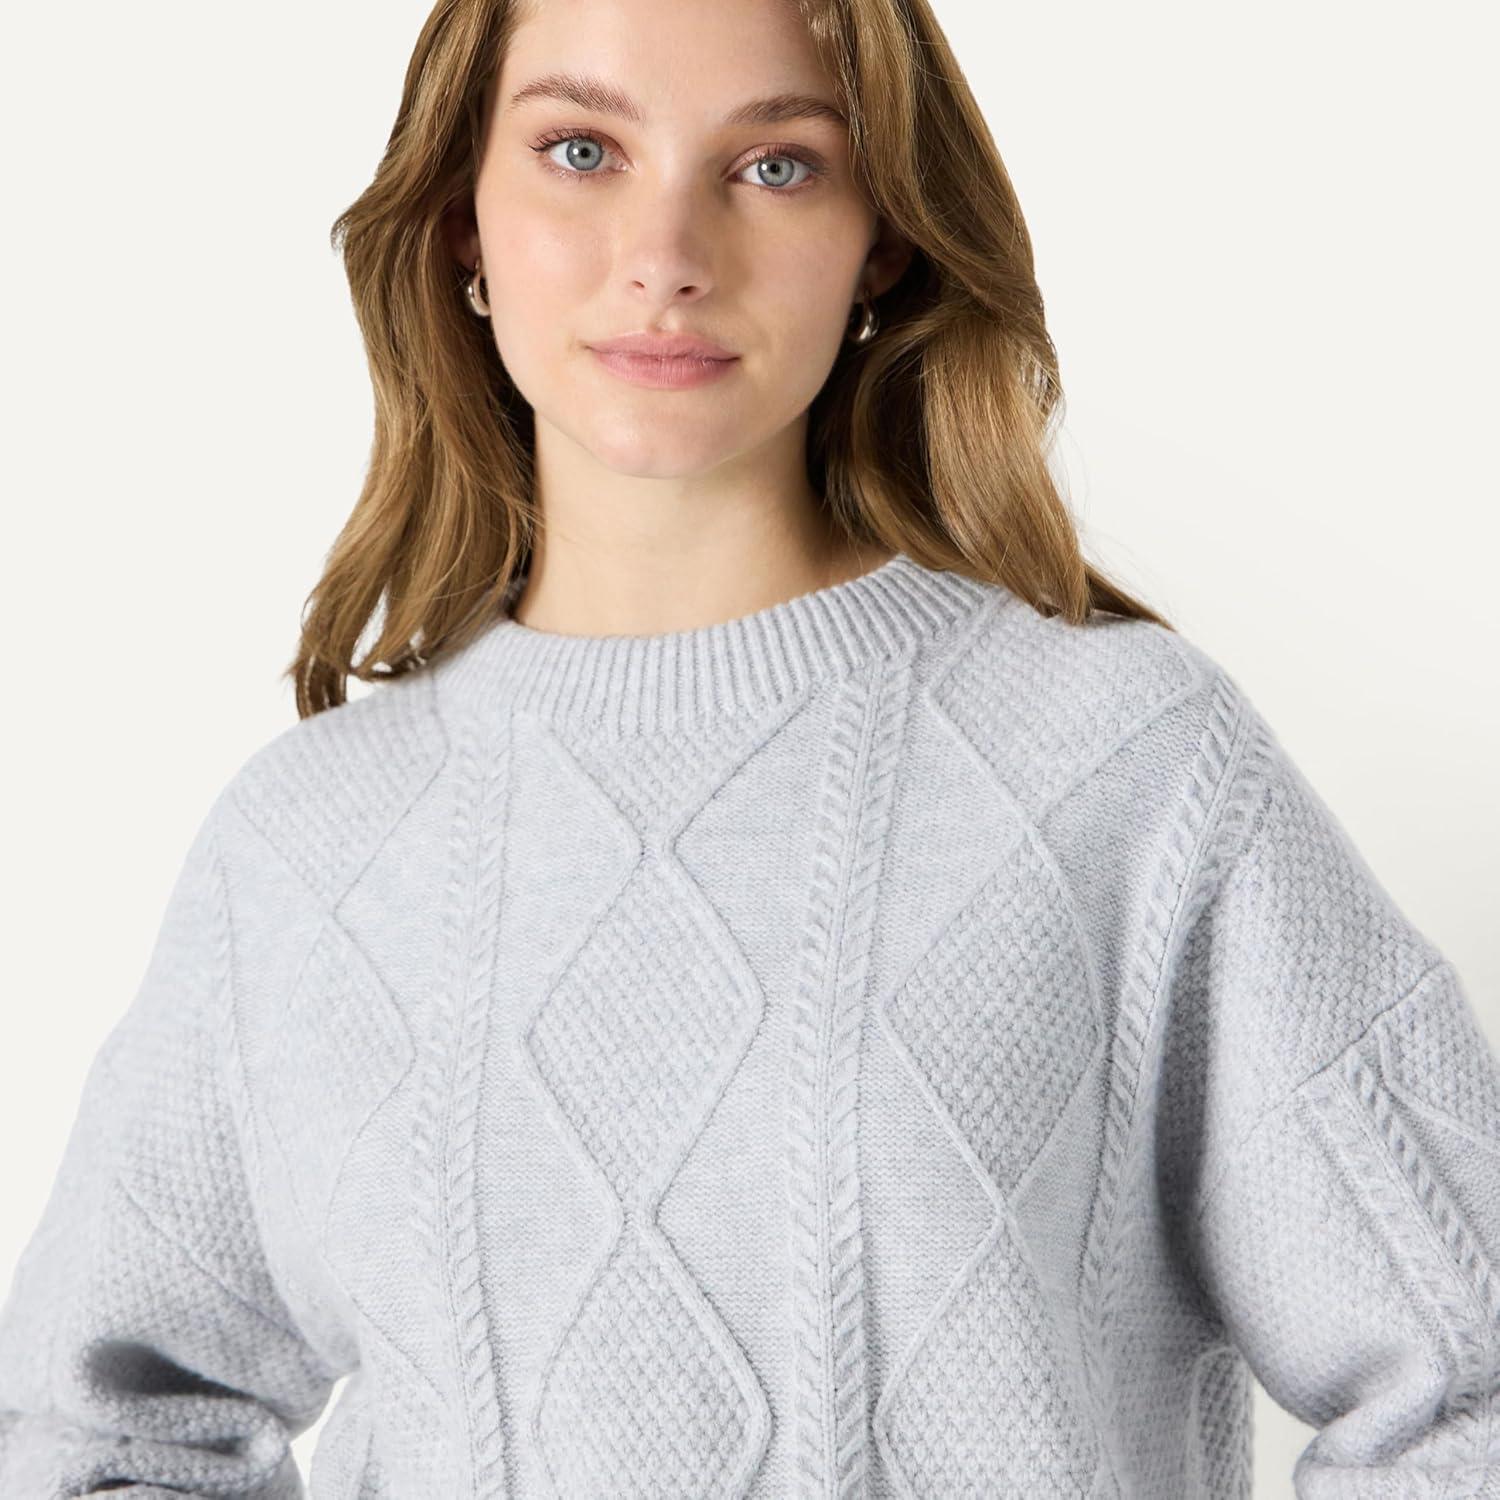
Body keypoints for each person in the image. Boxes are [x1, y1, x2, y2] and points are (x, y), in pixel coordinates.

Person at [1, 0, 1495, 1494]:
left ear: (881, 239)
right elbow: (97, 1433)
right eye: (581, 150)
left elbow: (1467, 1390)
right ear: (463, 220)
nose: (666, 255)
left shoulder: (1126, 770)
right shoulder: (306, 848)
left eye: (776, 166)